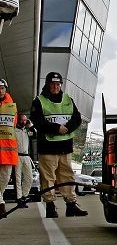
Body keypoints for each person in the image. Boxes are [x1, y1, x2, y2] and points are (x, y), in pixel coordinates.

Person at [30, 72, 88, 218]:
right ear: (48, 85)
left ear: (61, 85)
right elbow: (37, 122)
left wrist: (68, 127)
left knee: (67, 176)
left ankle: (71, 204)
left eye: (58, 84)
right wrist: (57, 128)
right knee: (48, 177)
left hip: (65, 146)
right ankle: (50, 206)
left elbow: (77, 118)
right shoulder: (39, 101)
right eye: (53, 84)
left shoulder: (68, 99)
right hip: (48, 147)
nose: (56, 87)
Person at [0, 79, 18, 218]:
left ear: (5, 89)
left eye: (2, 88)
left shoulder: (12, 106)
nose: (0, 90)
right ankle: (1, 204)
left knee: (5, 179)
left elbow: (14, 125)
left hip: (7, 150)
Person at [14, 114, 36, 208]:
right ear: (18, 120)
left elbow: (35, 135)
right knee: (18, 178)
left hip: (26, 156)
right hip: (17, 156)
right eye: (22, 120)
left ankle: (24, 196)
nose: (23, 122)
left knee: (29, 178)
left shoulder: (27, 131)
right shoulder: (14, 130)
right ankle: (19, 199)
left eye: (25, 120)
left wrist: (30, 125)